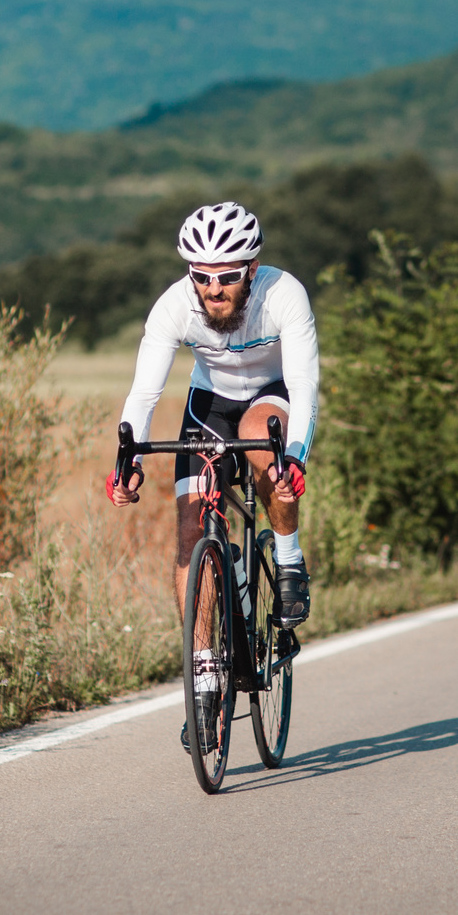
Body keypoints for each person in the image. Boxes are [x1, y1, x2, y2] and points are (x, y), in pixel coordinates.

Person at [104, 201, 317, 745]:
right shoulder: (174, 306)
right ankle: (205, 673)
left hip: (271, 396)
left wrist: (293, 458)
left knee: (267, 452)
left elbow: (304, 384)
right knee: (191, 531)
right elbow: (144, 392)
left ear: (249, 269)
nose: (212, 288)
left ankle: (288, 560)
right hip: (210, 403)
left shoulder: (283, 294)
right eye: (201, 276)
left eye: (225, 277)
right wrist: (126, 461)